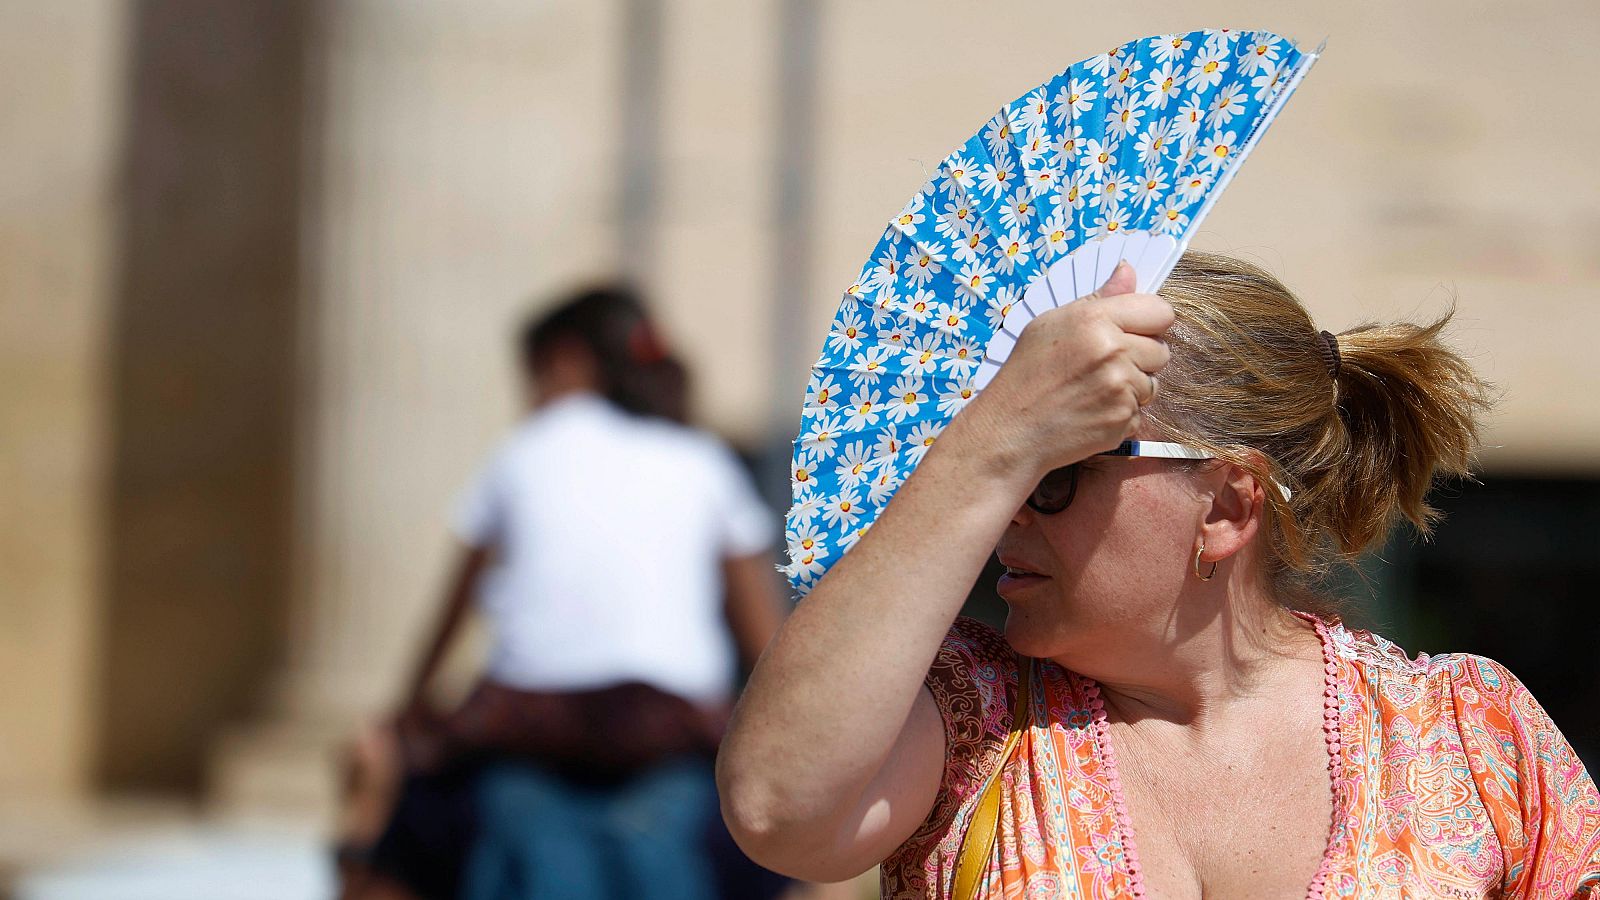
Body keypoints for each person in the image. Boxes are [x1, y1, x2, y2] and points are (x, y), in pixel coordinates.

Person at [717, 252, 1600, 898]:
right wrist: (988, 443)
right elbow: (774, 808)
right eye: (1012, 467)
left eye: (1057, 471)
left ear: (1224, 507)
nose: (1007, 509)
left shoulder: (1471, 735)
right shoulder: (966, 715)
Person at [340, 284, 792, 900]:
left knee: (396, 839)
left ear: (566, 360)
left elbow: (450, 616)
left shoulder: (522, 453)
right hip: (670, 729)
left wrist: (404, 719)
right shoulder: (703, 461)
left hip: (528, 728)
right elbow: (766, 637)